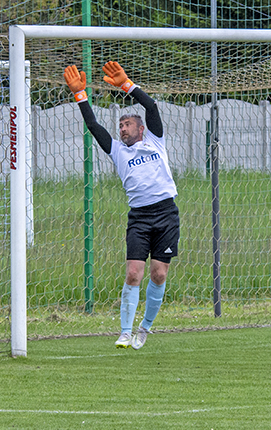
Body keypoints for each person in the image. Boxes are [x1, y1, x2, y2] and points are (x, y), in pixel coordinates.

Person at [63, 61, 179, 350]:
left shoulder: (155, 141)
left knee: (159, 274)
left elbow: (151, 107)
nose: (122, 129)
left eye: (127, 125)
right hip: (139, 217)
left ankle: (145, 328)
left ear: (141, 129)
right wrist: (80, 95)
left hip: (166, 213)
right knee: (133, 273)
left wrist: (127, 85)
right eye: (120, 126)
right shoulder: (117, 151)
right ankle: (125, 332)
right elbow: (93, 125)